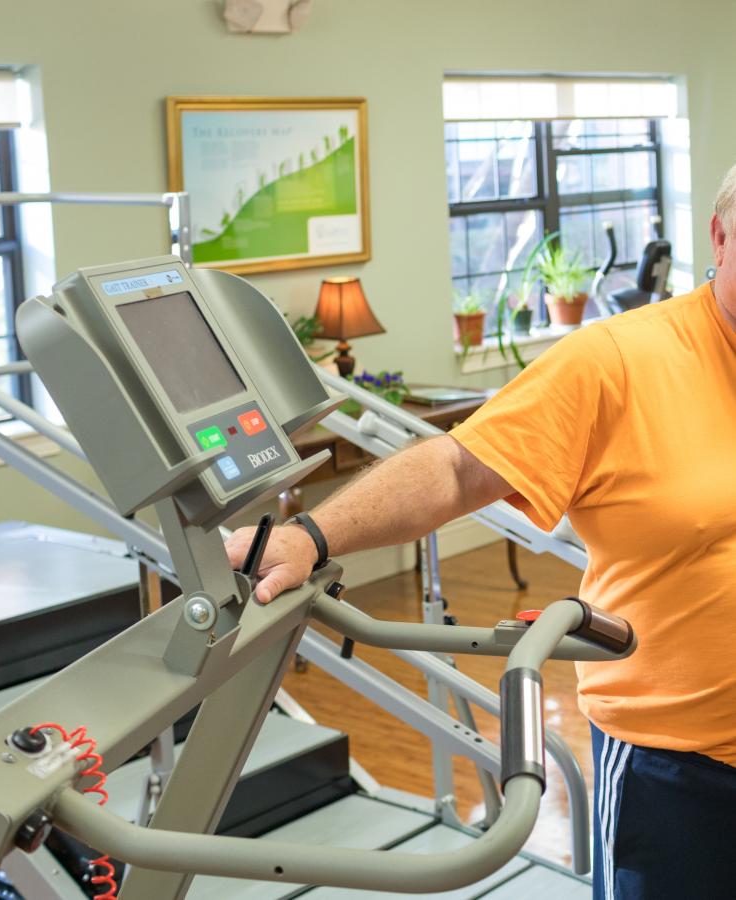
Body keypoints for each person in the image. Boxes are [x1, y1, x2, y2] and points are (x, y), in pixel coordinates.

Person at [226, 166, 736, 900]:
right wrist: (309, 537)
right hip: (677, 767)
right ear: (719, 236)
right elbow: (458, 469)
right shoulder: (618, 361)